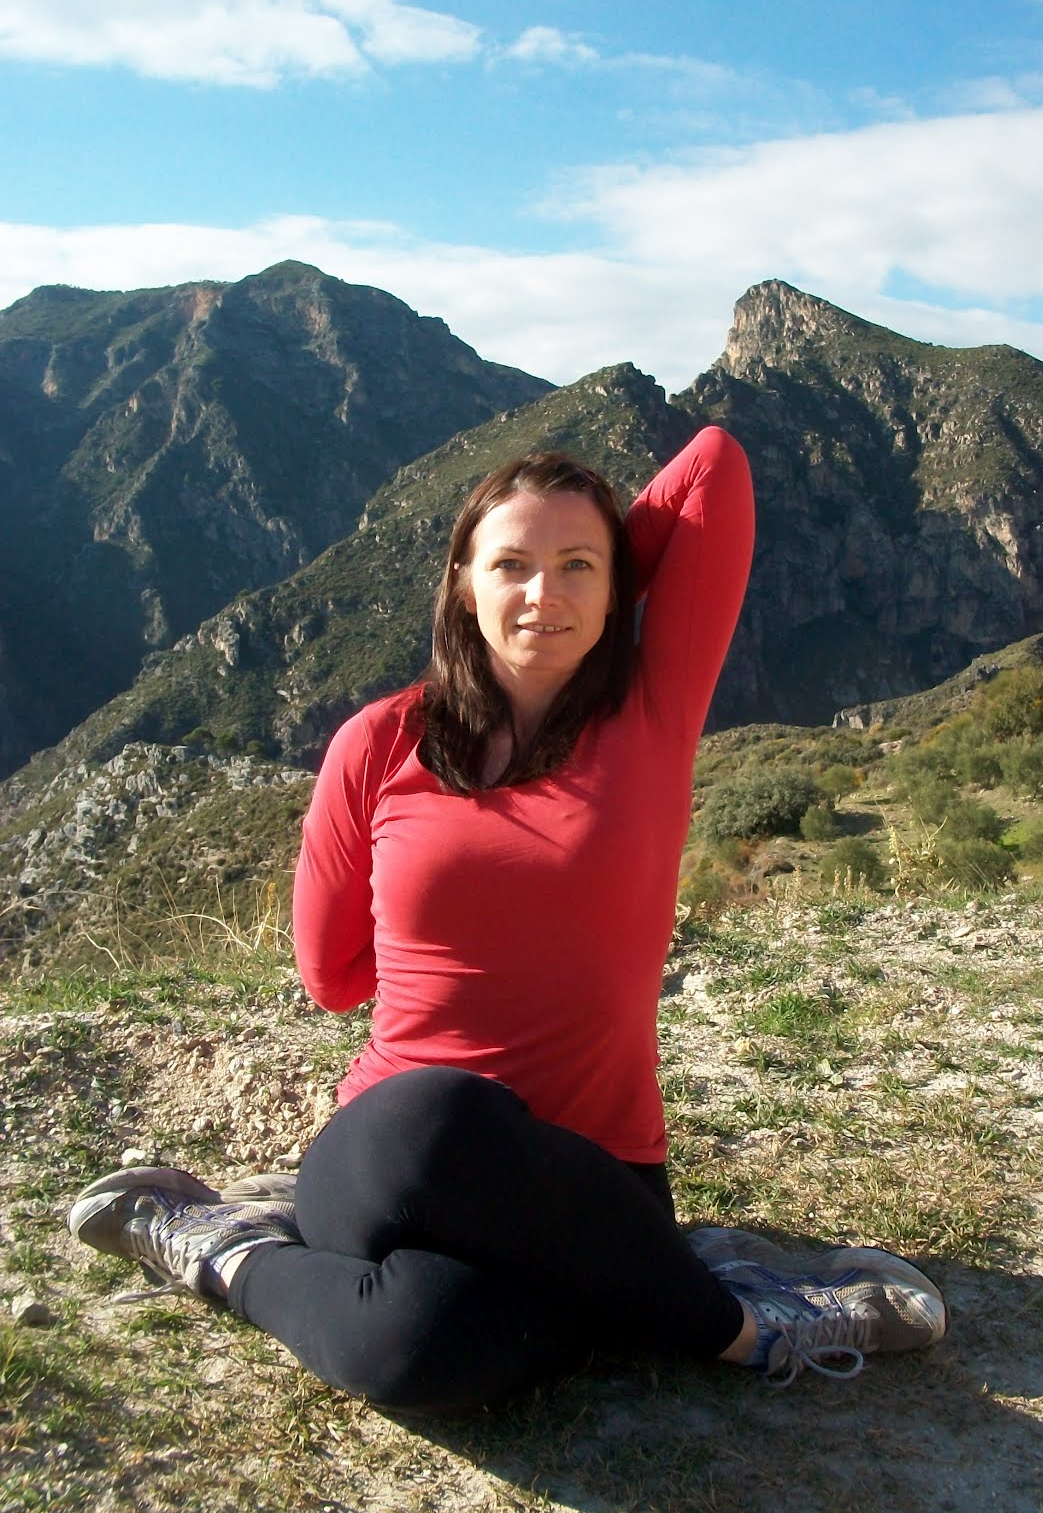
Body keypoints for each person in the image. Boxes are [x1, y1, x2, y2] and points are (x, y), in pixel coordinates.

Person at [68, 426, 946, 1413]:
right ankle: (742, 1322)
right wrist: (585, 566)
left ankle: (221, 1247)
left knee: (423, 1345)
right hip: (391, 1158)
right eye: (511, 566)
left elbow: (715, 468)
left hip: (595, 1176)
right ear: (462, 583)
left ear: (620, 586)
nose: (543, 594)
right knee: (443, 1113)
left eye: (578, 567)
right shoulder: (378, 741)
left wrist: (599, 560)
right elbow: (330, 981)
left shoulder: (651, 712)